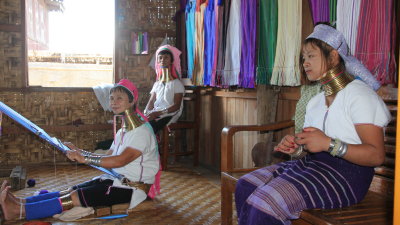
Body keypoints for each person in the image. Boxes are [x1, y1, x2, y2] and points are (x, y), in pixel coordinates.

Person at [235, 24, 391, 225]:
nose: (305, 63)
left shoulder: (359, 95)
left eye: (311, 56)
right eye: (303, 58)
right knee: (244, 185)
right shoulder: (316, 101)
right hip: (313, 166)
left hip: (348, 177)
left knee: (265, 202)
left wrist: (328, 144)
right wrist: (296, 148)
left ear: (333, 56)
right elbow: (309, 150)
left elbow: (376, 155)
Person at [0, 79, 160, 221]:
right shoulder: (122, 131)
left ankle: (16, 211)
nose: (113, 102)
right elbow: (108, 155)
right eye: (111, 98)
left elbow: (120, 160)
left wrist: (85, 159)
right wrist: (79, 151)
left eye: (119, 98)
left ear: (132, 101)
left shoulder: (142, 132)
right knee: (71, 190)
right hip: (116, 179)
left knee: (75, 197)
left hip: (133, 189)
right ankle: (22, 202)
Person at [144, 45, 185, 134]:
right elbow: (151, 101)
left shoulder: (177, 83)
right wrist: (146, 112)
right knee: (140, 124)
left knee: (149, 127)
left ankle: (150, 145)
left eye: (166, 57)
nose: (163, 60)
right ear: (157, 61)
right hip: (156, 113)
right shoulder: (157, 84)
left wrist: (158, 113)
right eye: (160, 58)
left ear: (171, 61)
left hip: (169, 114)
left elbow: (176, 106)